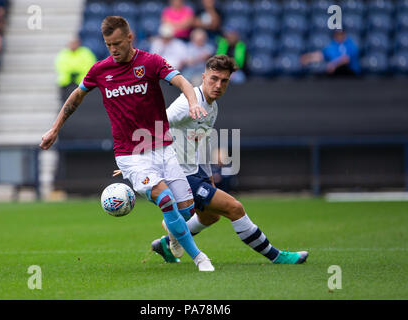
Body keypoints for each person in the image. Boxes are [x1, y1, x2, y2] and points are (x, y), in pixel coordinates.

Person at [40, 16, 214, 272]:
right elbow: (76, 96)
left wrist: (193, 102)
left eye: (118, 43)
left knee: (187, 211)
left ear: (129, 38)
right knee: (165, 199)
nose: (113, 49)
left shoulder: (150, 62)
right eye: (108, 44)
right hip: (131, 155)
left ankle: (169, 239)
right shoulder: (99, 70)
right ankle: (200, 258)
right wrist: (55, 128)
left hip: (163, 148)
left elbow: (182, 82)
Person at [114, 55, 309, 265]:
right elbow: (157, 124)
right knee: (234, 208)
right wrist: (139, 158)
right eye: (214, 79)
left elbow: (201, 143)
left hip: (195, 171)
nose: (218, 85)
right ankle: (277, 257)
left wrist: (208, 178)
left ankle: (166, 243)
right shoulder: (187, 104)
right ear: (204, 77)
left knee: (210, 217)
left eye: (224, 81)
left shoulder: (212, 107)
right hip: (180, 174)